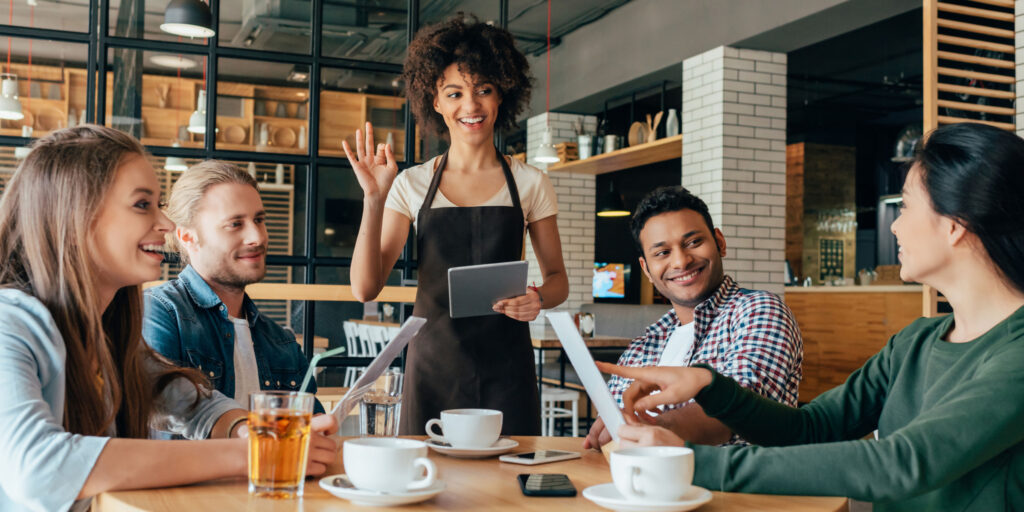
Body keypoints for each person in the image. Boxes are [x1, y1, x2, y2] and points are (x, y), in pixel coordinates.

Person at [599, 122, 1024, 511]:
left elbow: (900, 463)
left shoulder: (1016, 352)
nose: (894, 226)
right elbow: (810, 427)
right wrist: (711, 385)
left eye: (906, 207)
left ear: (955, 225)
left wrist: (687, 464)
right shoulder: (914, 342)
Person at [0, 126, 337, 511]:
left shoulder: (108, 331)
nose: (165, 224)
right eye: (143, 204)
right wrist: (258, 455)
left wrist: (253, 430)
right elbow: (37, 467)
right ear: (76, 217)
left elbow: (191, 403)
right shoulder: (9, 322)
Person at [344, 14, 569, 435]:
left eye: (483, 90)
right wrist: (374, 199)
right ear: (435, 101)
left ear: (502, 94)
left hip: (508, 365)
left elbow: (558, 279)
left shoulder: (530, 183)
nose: (471, 106)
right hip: (434, 364)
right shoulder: (411, 184)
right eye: (455, 93)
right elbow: (364, 288)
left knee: (508, 489)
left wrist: (537, 297)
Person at [583, 186, 803, 449]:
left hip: (732, 488)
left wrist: (649, 430)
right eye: (662, 253)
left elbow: (741, 412)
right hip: (640, 484)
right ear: (646, 269)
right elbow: (614, 426)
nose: (681, 261)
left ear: (719, 242)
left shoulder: (759, 311)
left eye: (693, 242)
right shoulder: (646, 343)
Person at [144, 161, 323, 413]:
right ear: (187, 237)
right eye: (235, 224)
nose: (258, 237)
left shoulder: (281, 342)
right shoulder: (159, 311)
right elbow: (162, 413)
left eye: (259, 220)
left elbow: (309, 434)